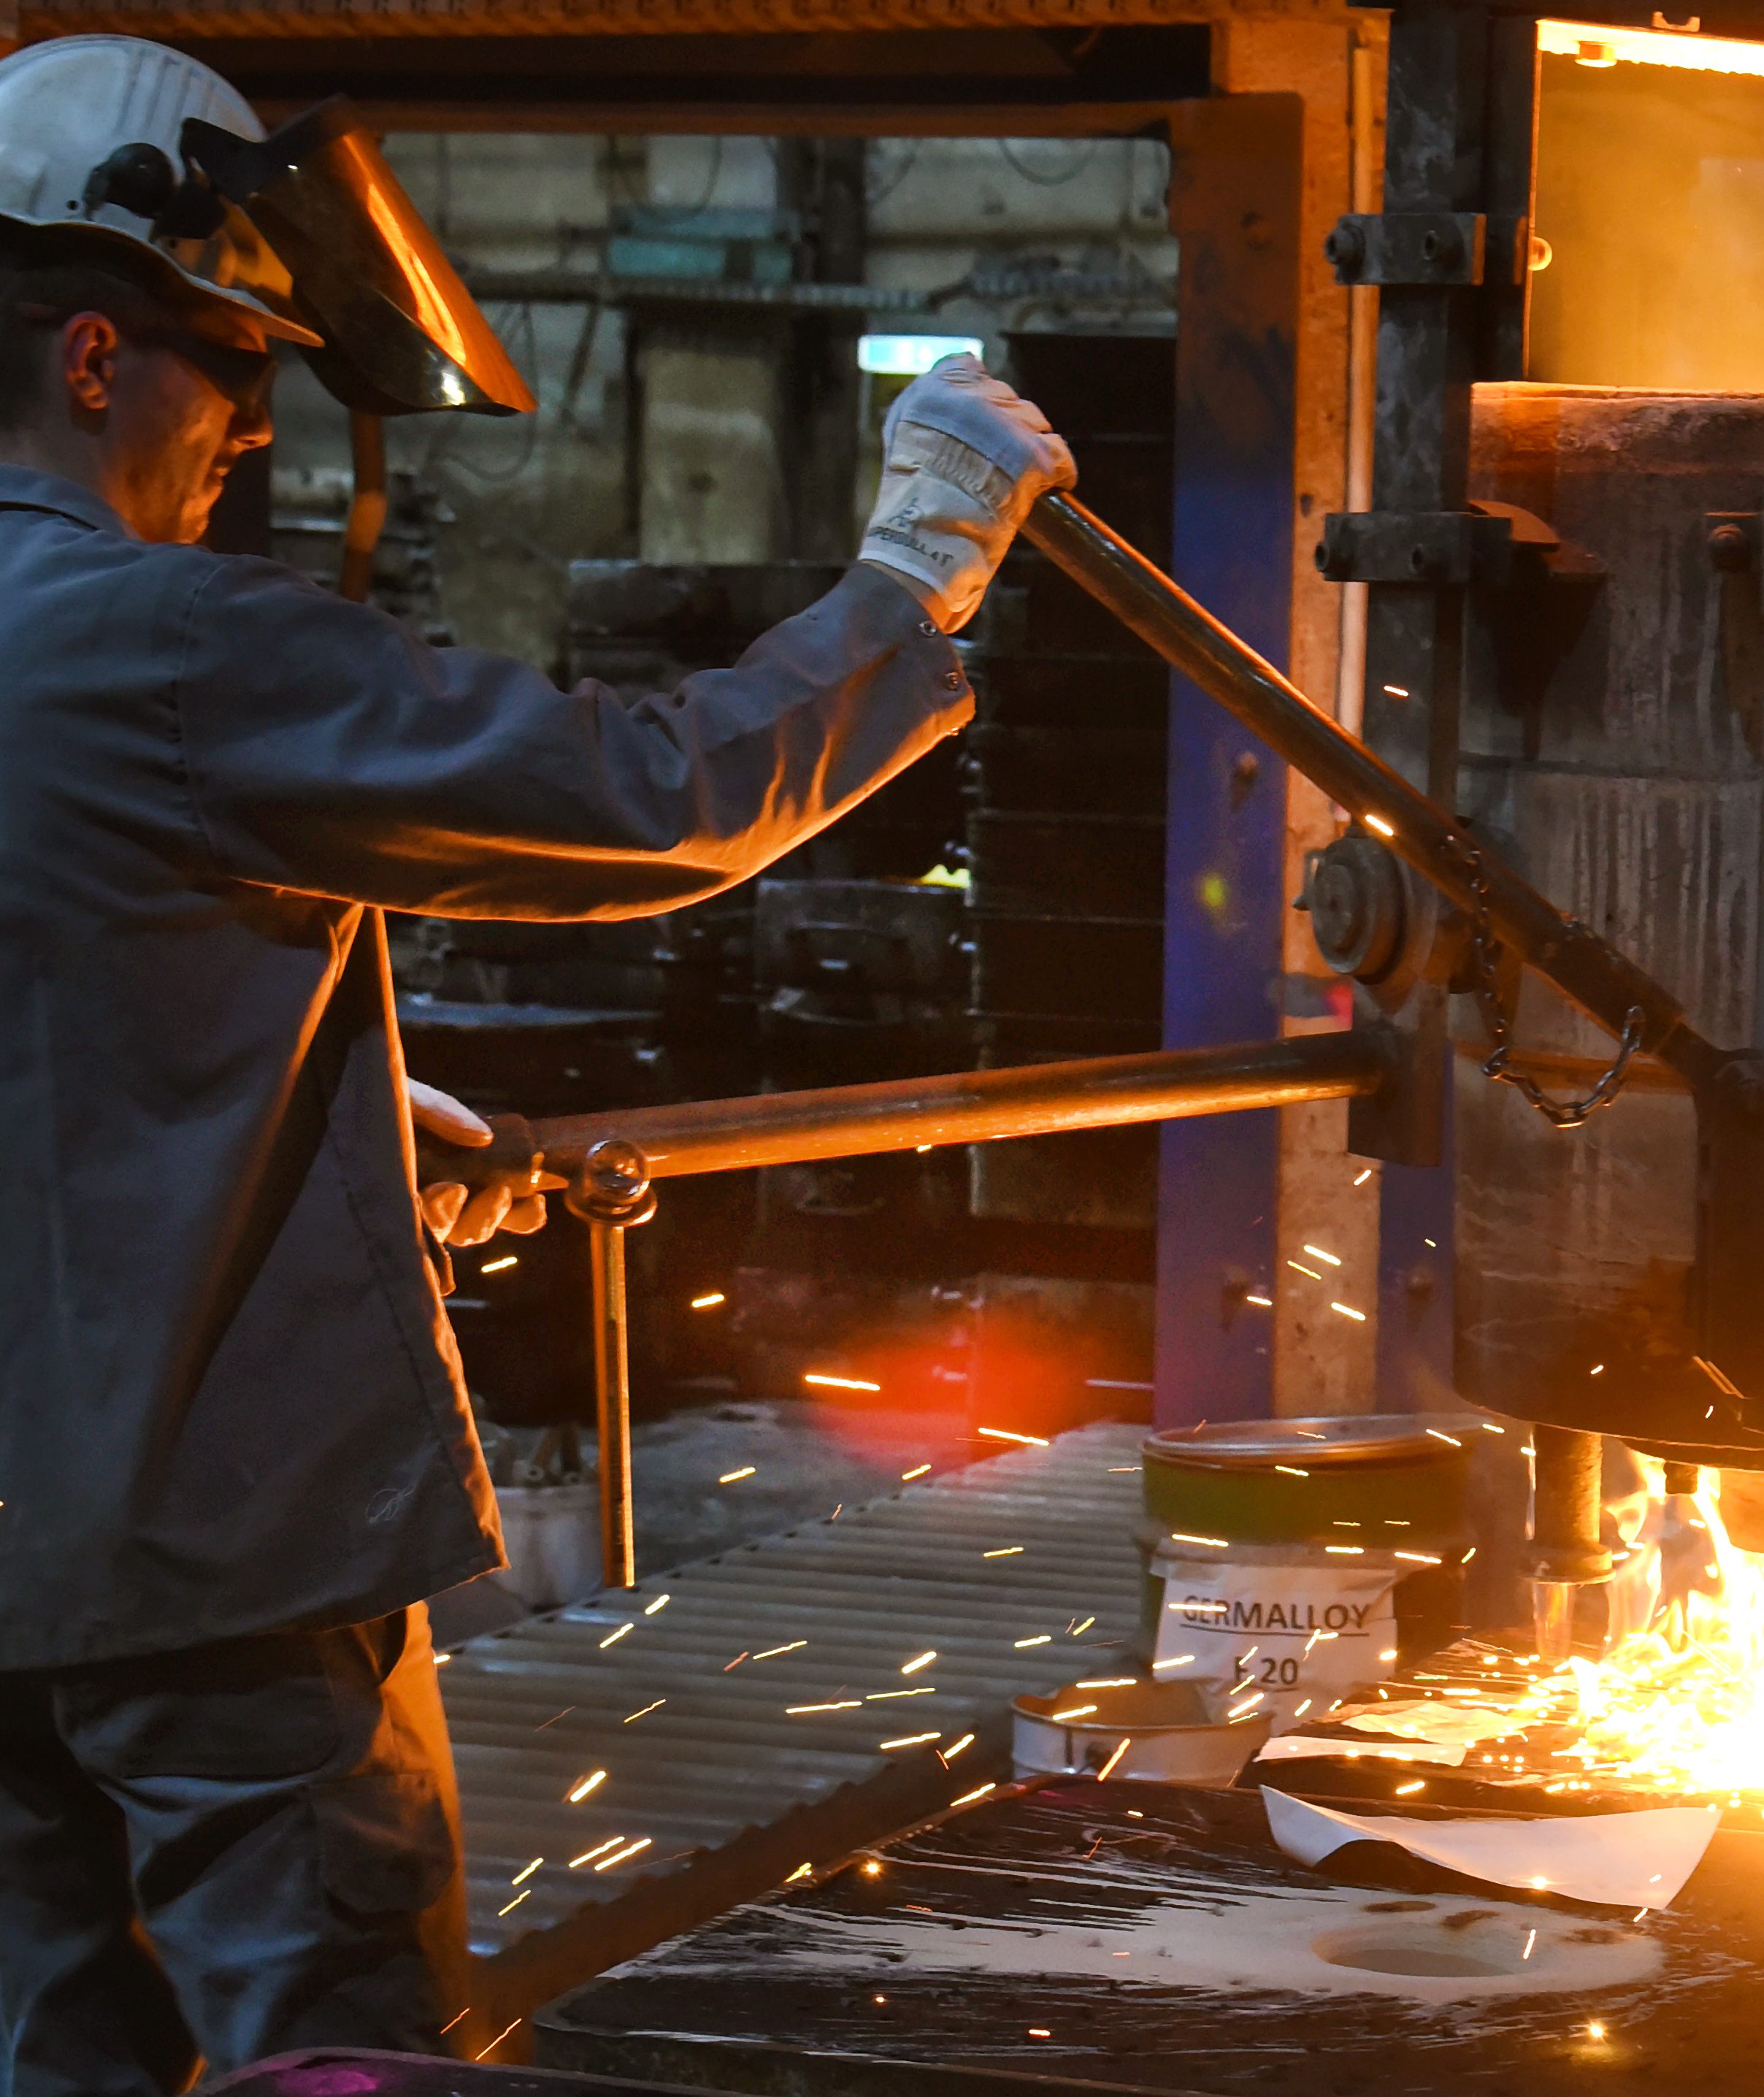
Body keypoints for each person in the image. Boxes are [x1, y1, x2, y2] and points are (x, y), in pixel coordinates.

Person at [0, 37, 1072, 2093]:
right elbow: (639, 799)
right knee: (335, 2052)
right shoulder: (155, 637)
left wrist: (312, 1113)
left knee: (53, 2055)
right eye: (232, 369)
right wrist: (914, 569)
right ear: (86, 350)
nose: (247, 427)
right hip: (210, 1571)